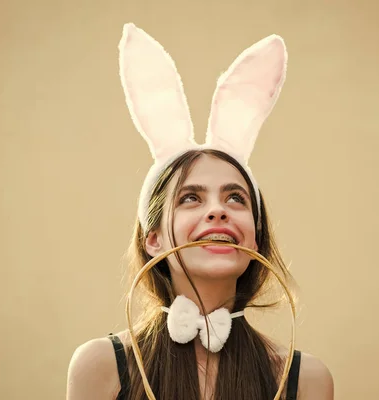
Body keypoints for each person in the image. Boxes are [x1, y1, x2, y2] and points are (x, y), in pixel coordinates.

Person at [66, 23, 334, 400]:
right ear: (153, 239)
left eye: (236, 198)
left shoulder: (305, 379)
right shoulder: (102, 366)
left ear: (254, 238)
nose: (218, 211)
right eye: (191, 197)